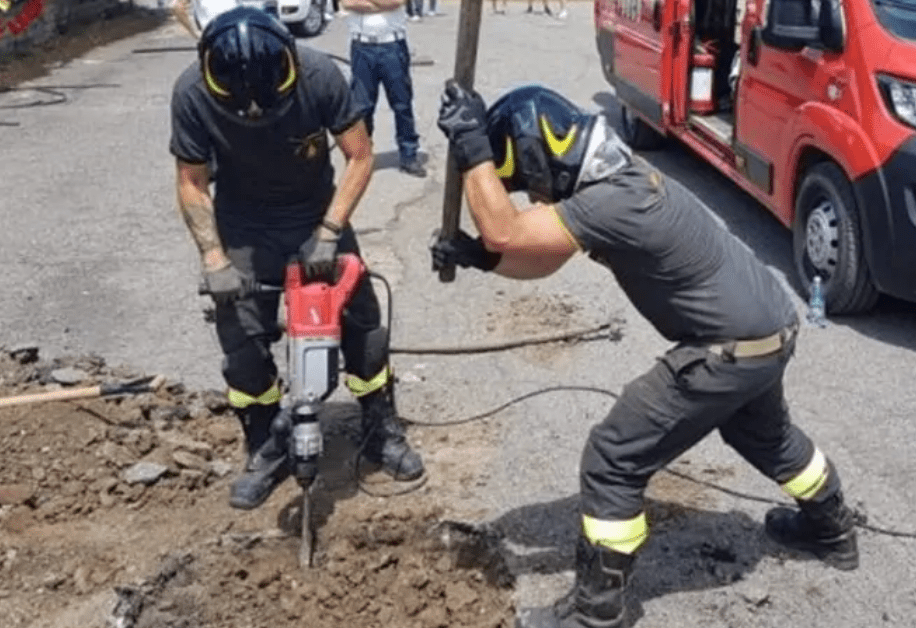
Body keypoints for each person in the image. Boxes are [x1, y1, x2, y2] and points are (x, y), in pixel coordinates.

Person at [431, 83, 859, 628]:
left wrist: (472, 147)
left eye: (529, 184)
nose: (536, 197)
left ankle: (596, 613)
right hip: (771, 334)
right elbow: (536, 254)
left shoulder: (609, 200)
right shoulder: (619, 178)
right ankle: (832, 530)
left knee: (612, 458)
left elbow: (506, 230)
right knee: (764, 436)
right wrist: (482, 259)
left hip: (724, 352)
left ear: (541, 156)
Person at [169, 8, 425, 510]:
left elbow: (360, 154)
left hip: (314, 217)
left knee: (363, 325)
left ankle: (379, 425)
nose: (257, 113)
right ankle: (266, 442)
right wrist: (215, 258)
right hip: (243, 225)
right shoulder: (193, 94)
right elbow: (191, 182)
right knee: (241, 342)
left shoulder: (319, 76)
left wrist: (330, 232)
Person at [341, 0, 427, 177]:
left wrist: (368, 4)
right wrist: (380, 4)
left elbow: (396, 2)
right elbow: (347, 3)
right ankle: (362, 156)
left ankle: (408, 155)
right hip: (361, 47)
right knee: (362, 107)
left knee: (402, 104)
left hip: (392, 46)